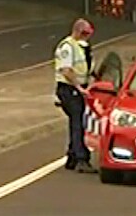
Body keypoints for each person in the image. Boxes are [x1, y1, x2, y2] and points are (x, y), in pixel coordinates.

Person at [54, 18, 98, 173]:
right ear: (79, 31)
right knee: (78, 122)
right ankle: (81, 158)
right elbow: (66, 71)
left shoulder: (83, 47)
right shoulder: (68, 47)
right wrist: (79, 87)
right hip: (69, 89)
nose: (88, 37)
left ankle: (72, 156)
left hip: (80, 88)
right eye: (86, 33)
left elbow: (86, 67)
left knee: (79, 121)